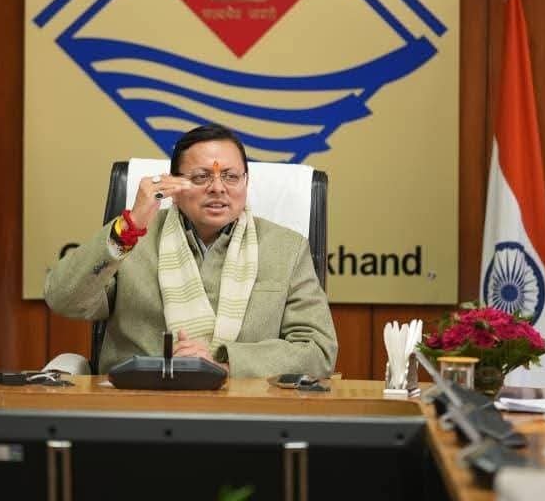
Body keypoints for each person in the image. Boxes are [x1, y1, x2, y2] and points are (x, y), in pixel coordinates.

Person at [44, 125, 338, 378]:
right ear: (173, 187)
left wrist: (224, 364)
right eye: (201, 177)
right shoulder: (131, 240)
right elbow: (63, 298)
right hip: (137, 402)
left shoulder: (285, 248)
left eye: (231, 177)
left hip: (243, 406)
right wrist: (130, 226)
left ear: (246, 183)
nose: (218, 188)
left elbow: (317, 350)